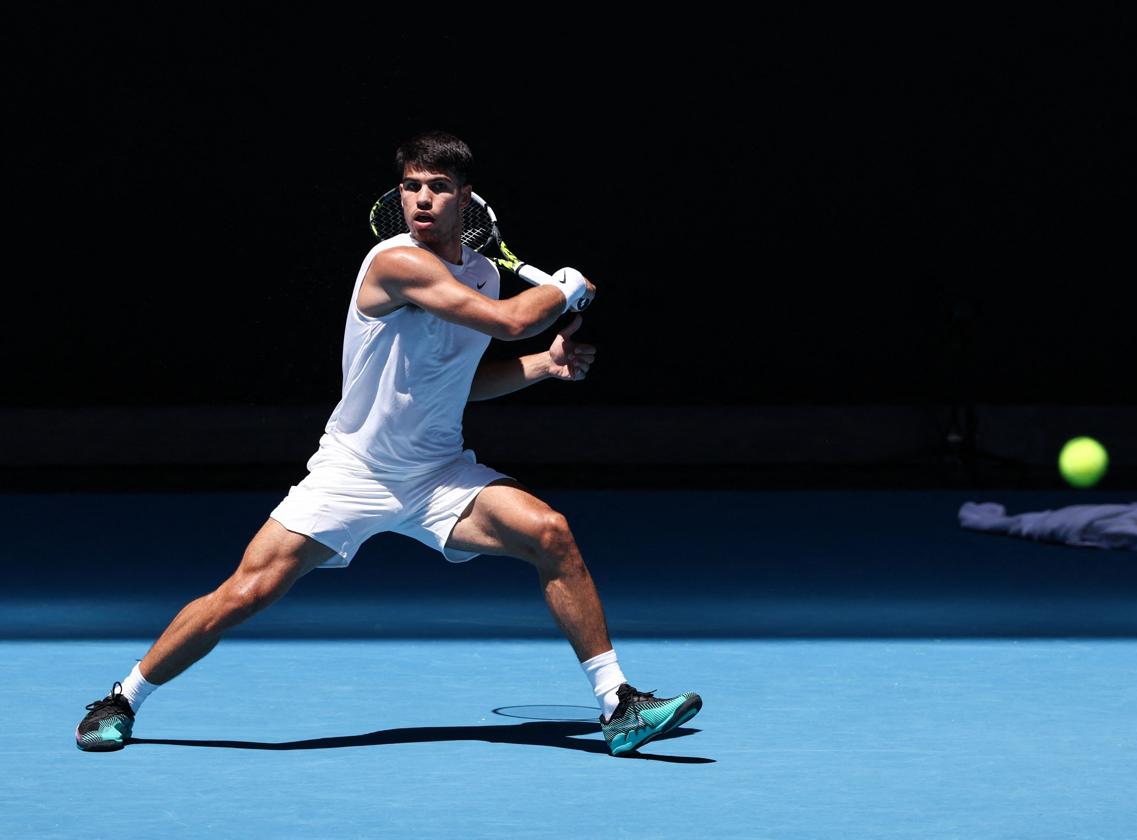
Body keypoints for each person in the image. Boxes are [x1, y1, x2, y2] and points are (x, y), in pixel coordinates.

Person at [75, 130, 701, 758]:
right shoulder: (393, 262)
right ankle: (121, 698)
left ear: (467, 199)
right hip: (354, 469)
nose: (422, 201)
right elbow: (514, 321)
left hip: (437, 475)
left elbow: (463, 380)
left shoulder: (483, 274)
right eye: (411, 187)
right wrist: (563, 287)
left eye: (438, 187)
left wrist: (543, 365)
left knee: (551, 533)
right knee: (247, 592)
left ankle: (618, 703)